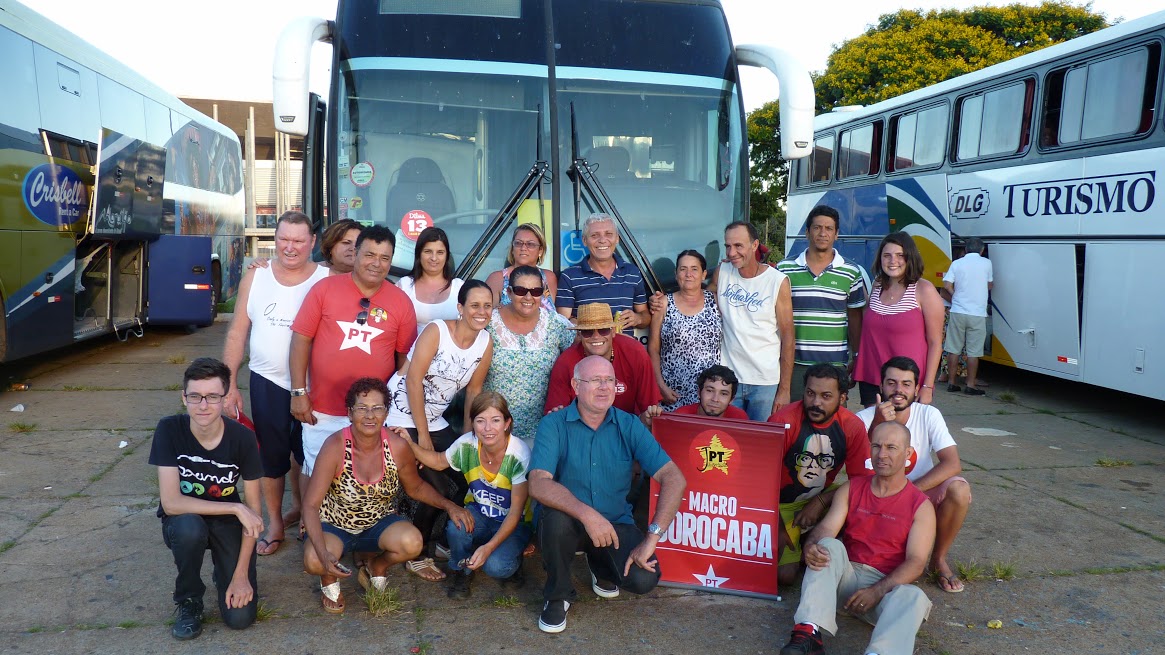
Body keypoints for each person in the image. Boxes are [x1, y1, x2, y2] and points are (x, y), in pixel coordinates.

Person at [530, 355, 687, 633]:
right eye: (595, 381)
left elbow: (673, 477)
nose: (604, 387)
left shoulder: (629, 424)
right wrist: (587, 515)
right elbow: (539, 484)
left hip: (615, 522)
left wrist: (652, 537)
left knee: (643, 580)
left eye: (610, 381)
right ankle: (558, 595)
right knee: (554, 520)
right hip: (568, 521)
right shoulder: (553, 424)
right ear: (576, 386)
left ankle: (600, 565)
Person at [301, 378, 474, 613]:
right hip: (335, 525)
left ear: (386, 412)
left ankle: (376, 566)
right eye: (362, 408)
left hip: (378, 524)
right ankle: (329, 579)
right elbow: (311, 505)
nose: (370, 415)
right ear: (350, 413)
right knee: (313, 560)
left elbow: (416, 488)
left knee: (413, 543)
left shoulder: (397, 446)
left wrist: (449, 506)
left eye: (377, 408)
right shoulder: (335, 447)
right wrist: (322, 553)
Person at [222, 211, 329, 556]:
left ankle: (308, 517)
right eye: (284, 239)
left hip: (313, 385)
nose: (290, 247)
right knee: (271, 458)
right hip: (266, 380)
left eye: (299, 240)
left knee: (310, 456)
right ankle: (276, 523)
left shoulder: (327, 279)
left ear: (312, 242)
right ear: (275, 239)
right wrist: (230, 383)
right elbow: (238, 330)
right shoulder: (256, 276)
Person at [778, 421, 935, 655]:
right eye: (876, 446)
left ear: (908, 453)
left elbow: (916, 563)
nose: (882, 454)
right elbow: (826, 530)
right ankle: (808, 633)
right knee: (827, 545)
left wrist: (877, 591)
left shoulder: (920, 506)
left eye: (891, 447)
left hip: (884, 592)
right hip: (844, 581)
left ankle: (879, 653)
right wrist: (810, 546)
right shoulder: (852, 488)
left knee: (914, 597)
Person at [385, 279, 494, 581]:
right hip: (402, 413)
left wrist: (471, 440)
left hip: (435, 419)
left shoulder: (485, 342)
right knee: (440, 486)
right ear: (460, 308)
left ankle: (445, 542)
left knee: (465, 477)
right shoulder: (437, 331)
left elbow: (473, 391)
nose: (481, 311)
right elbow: (413, 380)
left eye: (487, 305)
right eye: (474, 305)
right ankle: (417, 555)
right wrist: (421, 436)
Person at [290, 226, 417, 477]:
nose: (376, 264)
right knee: (316, 476)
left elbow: (405, 362)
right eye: (370, 255)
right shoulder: (324, 290)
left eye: (384, 258)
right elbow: (300, 340)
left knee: (365, 482)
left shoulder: (401, 302)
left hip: (373, 415)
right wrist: (298, 392)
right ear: (356, 253)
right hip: (323, 410)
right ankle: (309, 518)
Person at [149, 358, 263, 640]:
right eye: (195, 396)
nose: (203, 405)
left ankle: (224, 573)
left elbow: (254, 517)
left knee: (240, 619)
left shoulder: (243, 438)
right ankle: (189, 600)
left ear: (225, 399)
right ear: (183, 397)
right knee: (189, 529)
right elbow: (171, 502)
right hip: (185, 520)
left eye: (212, 397)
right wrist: (235, 506)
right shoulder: (169, 430)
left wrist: (239, 577)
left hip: (227, 525)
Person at [856, 356, 972, 594]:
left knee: (959, 489)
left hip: (918, 495)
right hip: (878, 498)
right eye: (892, 383)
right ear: (881, 386)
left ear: (917, 389)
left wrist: (909, 493)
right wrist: (876, 426)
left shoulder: (928, 414)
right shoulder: (863, 418)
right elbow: (858, 474)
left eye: (906, 384)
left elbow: (952, 464)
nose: (899, 390)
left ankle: (938, 559)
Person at [405, 391, 532, 599]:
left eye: (495, 420)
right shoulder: (467, 444)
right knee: (456, 528)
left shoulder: (519, 455)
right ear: (472, 423)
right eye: (480, 421)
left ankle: (515, 560)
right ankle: (462, 570)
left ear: (507, 423)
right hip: (479, 513)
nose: (488, 428)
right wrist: (410, 445)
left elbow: (516, 512)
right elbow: (438, 461)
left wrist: (489, 548)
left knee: (497, 567)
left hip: (512, 522)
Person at [768, 364, 871, 586]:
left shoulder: (852, 426)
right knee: (784, 577)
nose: (816, 402)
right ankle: (802, 541)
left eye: (826, 396)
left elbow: (861, 482)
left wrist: (821, 500)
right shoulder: (783, 421)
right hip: (779, 505)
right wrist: (776, 527)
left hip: (819, 497)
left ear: (842, 398)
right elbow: (760, 481)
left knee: (859, 501)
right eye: (810, 393)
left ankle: (813, 540)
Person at [776, 205, 868, 401]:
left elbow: (854, 318)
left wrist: (858, 355)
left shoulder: (851, 272)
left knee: (831, 425)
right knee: (793, 423)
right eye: (817, 228)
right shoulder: (785, 269)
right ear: (807, 232)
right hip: (794, 363)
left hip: (834, 364)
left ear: (836, 234)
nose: (823, 233)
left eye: (829, 228)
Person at [483, 265, 575, 447]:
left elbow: (577, 361)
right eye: (520, 290)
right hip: (492, 430)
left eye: (535, 291)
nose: (528, 297)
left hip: (542, 433)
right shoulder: (488, 323)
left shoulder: (556, 324)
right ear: (508, 292)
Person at [853, 232, 945, 406]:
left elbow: (935, 343)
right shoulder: (878, 285)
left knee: (903, 432)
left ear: (910, 258)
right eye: (887, 255)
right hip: (872, 379)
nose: (892, 260)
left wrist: (927, 386)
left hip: (906, 383)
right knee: (875, 431)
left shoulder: (924, 290)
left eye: (899, 255)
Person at [717, 220, 795, 420]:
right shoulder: (723, 272)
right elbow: (699, 301)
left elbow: (788, 338)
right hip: (728, 379)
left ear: (754, 245)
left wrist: (784, 389)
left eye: (738, 246)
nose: (732, 252)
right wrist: (663, 302)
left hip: (764, 382)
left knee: (760, 444)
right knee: (728, 443)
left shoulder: (777, 281)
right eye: (728, 246)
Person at [544, 302, 661, 421]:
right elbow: (556, 414)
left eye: (603, 330)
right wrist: (557, 418)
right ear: (579, 334)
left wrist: (648, 417)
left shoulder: (635, 353)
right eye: (587, 332)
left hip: (628, 431)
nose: (596, 336)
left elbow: (649, 408)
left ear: (614, 331)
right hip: (581, 433)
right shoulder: (565, 363)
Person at [648, 250, 722, 411]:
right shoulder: (663, 304)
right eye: (683, 269)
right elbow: (653, 349)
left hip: (710, 396)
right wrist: (660, 386)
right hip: (673, 395)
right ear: (676, 274)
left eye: (694, 269)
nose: (688, 274)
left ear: (703, 274)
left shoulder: (716, 301)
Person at [555, 213, 649, 331]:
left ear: (617, 239)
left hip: (624, 348)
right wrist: (575, 323)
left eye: (608, 234)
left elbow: (645, 315)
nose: (603, 240)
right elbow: (563, 324)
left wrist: (637, 318)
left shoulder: (632, 273)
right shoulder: (569, 277)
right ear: (584, 240)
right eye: (595, 235)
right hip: (587, 348)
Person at [942, 237, 993, 395]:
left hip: (958, 311)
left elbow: (946, 284)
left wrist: (954, 294)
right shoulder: (986, 263)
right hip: (977, 313)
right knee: (973, 352)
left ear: (965, 249)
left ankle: (951, 383)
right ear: (982, 250)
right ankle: (970, 385)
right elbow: (990, 284)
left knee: (953, 349)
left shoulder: (957, 263)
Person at [397, 226, 464, 333]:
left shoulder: (460, 287)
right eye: (428, 251)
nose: (434, 258)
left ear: (447, 256)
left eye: (440, 252)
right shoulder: (404, 285)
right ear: (419, 254)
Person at [485, 223, 558, 312]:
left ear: (540, 250)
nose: (523, 248)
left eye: (530, 244)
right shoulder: (497, 279)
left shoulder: (549, 277)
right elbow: (486, 315)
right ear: (512, 249)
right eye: (518, 243)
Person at [670, 365, 749, 420]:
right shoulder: (682, 416)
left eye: (723, 394)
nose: (715, 399)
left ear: (732, 399)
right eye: (709, 391)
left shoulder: (739, 418)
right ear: (699, 392)